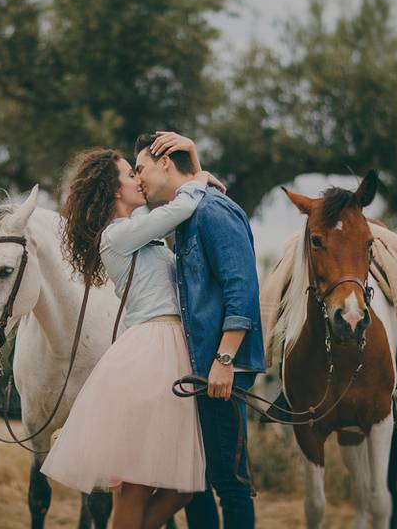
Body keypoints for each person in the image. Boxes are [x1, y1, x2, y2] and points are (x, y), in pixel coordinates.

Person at [41, 140, 226, 529]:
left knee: (184, 486)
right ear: (113, 189)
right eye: (130, 173)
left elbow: (176, 210)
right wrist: (200, 176)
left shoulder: (139, 229)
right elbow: (181, 206)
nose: (138, 178)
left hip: (170, 350)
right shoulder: (116, 236)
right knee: (138, 486)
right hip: (151, 353)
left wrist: (193, 172)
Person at [133, 132, 266, 529]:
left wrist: (225, 359)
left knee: (231, 482)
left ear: (165, 163)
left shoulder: (213, 211)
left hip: (219, 371)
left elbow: (241, 288)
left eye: (140, 168)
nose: (138, 178)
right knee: (197, 481)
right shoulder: (187, 214)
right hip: (198, 372)